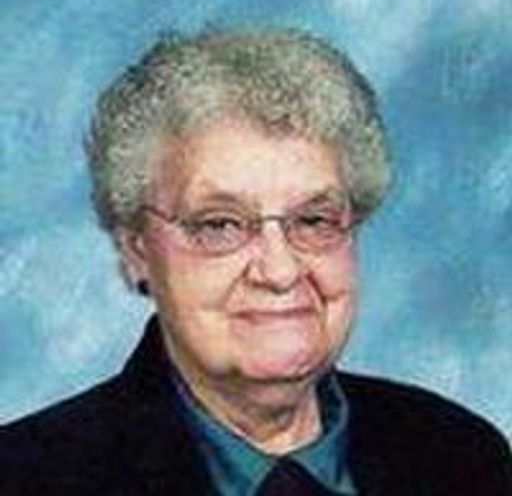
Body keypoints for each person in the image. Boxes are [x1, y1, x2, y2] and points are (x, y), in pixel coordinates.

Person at [1, 27, 511, 496]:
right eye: (220, 225)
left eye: (313, 220)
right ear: (136, 250)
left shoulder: (461, 456)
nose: (280, 271)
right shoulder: (27, 477)